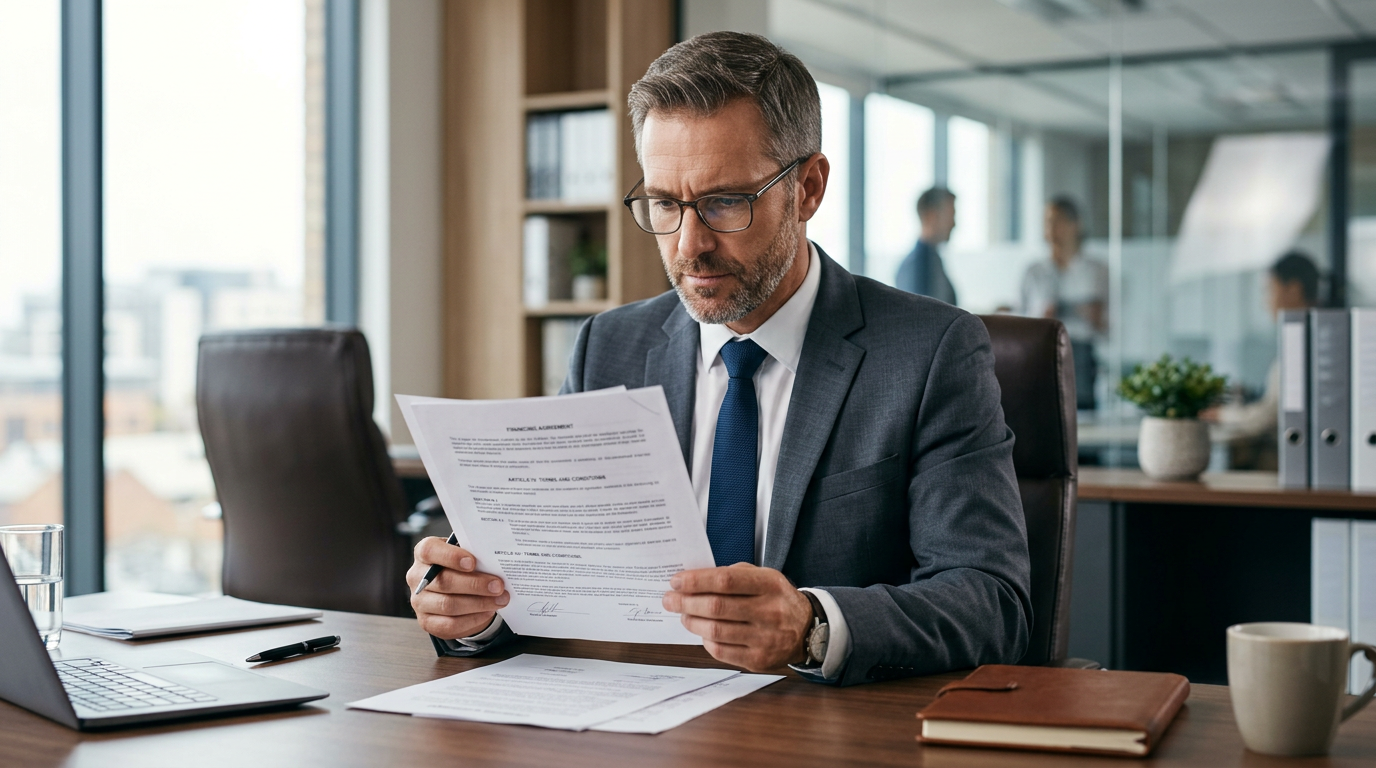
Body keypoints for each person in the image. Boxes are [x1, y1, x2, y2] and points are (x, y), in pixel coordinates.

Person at [407, 31, 1030, 687]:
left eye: (724, 202)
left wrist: (812, 626)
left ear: (809, 188)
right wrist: (476, 612)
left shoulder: (930, 352)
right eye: (665, 204)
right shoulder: (607, 348)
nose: (689, 244)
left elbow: (991, 603)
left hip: (828, 731)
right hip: (637, 717)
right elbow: (556, 579)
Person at [1201, 250, 1321, 466]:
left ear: (1293, 290)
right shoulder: (1312, 336)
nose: (1266, 303)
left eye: (1269, 291)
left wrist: (1220, 415)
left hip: (1293, 461)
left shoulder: (1304, 345)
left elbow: (1267, 416)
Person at [1019, 196, 1108, 410]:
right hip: (1041, 355)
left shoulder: (1096, 271)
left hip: (1082, 358)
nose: (1050, 228)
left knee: (1083, 420)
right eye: (1047, 221)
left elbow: (1105, 321)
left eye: (1056, 220)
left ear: (1075, 224)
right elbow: (1020, 318)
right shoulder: (1034, 271)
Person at [894, 187, 958, 305]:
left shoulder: (932, 260)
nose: (954, 224)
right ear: (931, 216)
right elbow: (920, 318)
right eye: (951, 215)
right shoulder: (917, 265)